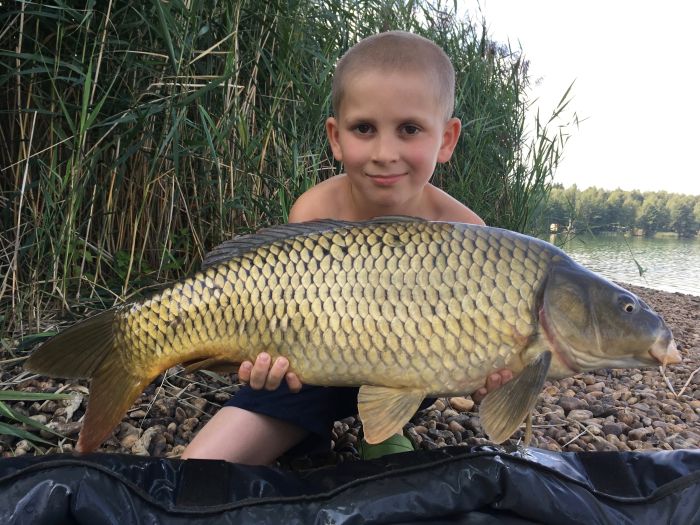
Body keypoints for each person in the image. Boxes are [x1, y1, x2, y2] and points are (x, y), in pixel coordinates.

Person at [182, 31, 512, 465]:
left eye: (409, 129)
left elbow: (474, 341)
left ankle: (385, 428)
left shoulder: (468, 233)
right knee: (198, 468)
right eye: (364, 129)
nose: (385, 152)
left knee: (428, 349)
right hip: (312, 373)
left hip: (412, 374)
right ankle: (305, 432)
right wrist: (261, 360)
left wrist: (491, 373)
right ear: (336, 137)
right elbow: (281, 321)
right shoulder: (315, 210)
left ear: (446, 139)